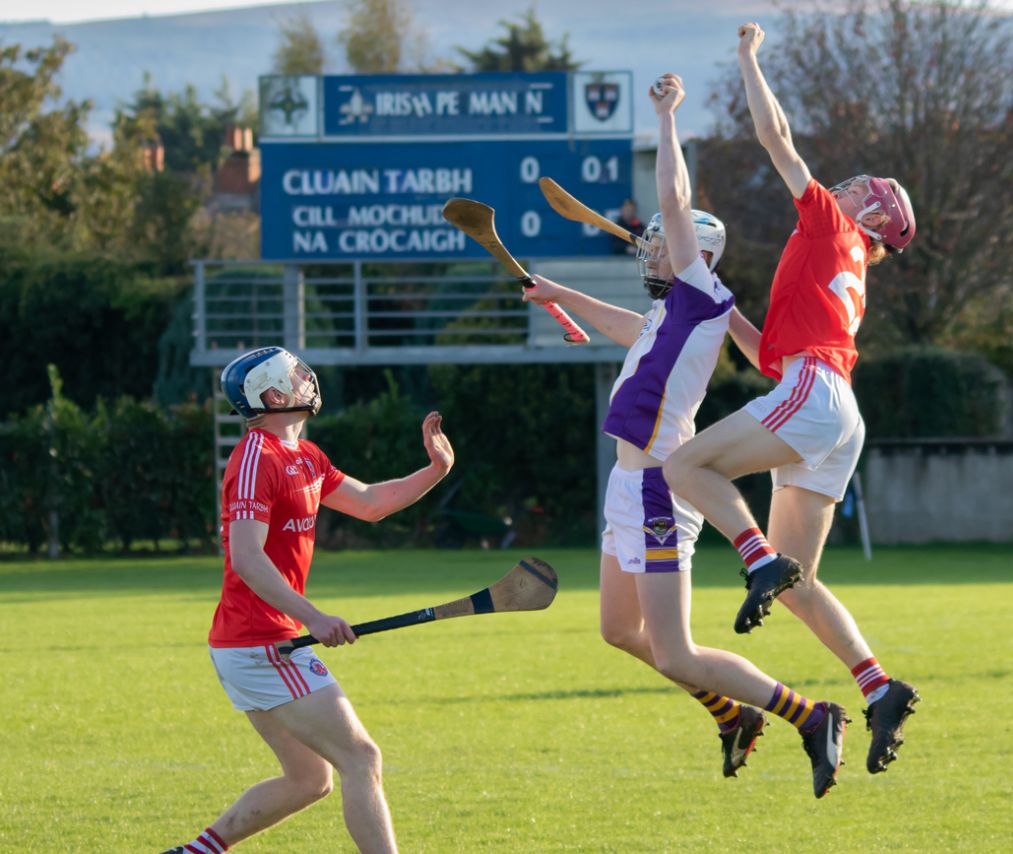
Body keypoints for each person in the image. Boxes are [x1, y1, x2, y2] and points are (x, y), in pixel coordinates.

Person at [524, 72, 849, 799]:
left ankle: (808, 714)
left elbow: (673, 200)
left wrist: (667, 118)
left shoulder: (702, 293)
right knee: (618, 631)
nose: (650, 255)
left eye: (661, 248)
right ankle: (729, 713)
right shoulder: (671, 316)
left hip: (660, 488)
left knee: (673, 651)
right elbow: (621, 326)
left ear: (693, 252)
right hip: (624, 486)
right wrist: (558, 294)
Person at [660, 21, 919, 775]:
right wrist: (718, 303)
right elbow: (763, 350)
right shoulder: (843, 268)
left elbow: (777, 138)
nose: (844, 188)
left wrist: (747, 58)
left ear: (867, 215)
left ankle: (753, 559)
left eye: (859, 192)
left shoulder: (832, 224)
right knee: (803, 583)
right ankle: (878, 687)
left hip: (814, 393)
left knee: (685, 468)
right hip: (834, 405)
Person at [162, 347, 455, 854]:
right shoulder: (257, 458)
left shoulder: (306, 455)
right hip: (262, 642)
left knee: (309, 779)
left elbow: (370, 504)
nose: (306, 379)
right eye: (294, 376)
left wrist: (436, 469)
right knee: (361, 758)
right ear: (273, 396)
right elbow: (248, 559)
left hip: (259, 641)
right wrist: (313, 618)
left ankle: (194, 852)